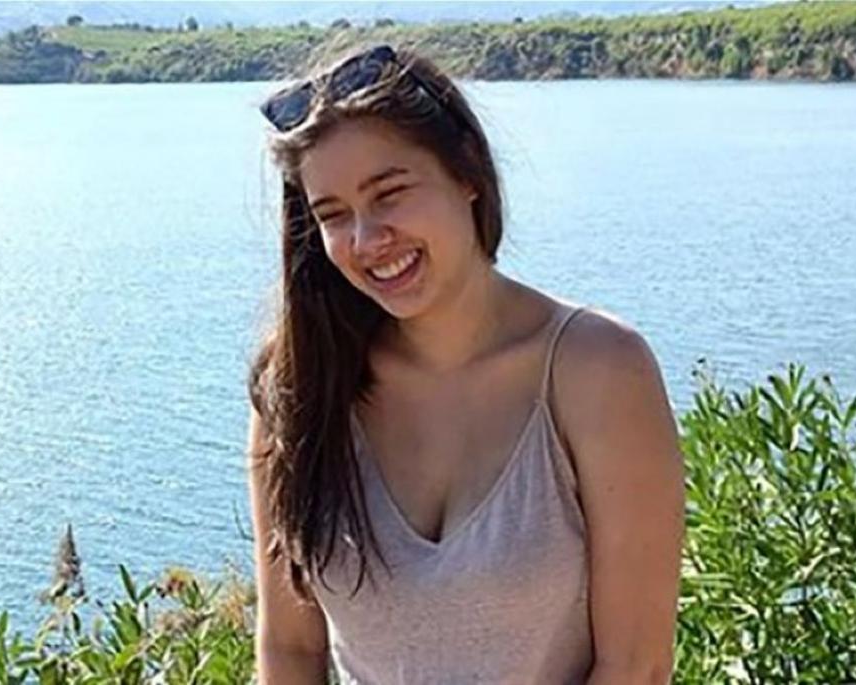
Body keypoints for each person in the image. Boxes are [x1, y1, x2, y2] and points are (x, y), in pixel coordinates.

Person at [246, 43, 685, 684]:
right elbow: (290, 650)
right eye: (333, 215)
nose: (366, 240)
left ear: (467, 173)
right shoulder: (300, 389)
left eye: (390, 193)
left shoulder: (597, 370)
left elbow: (636, 666)